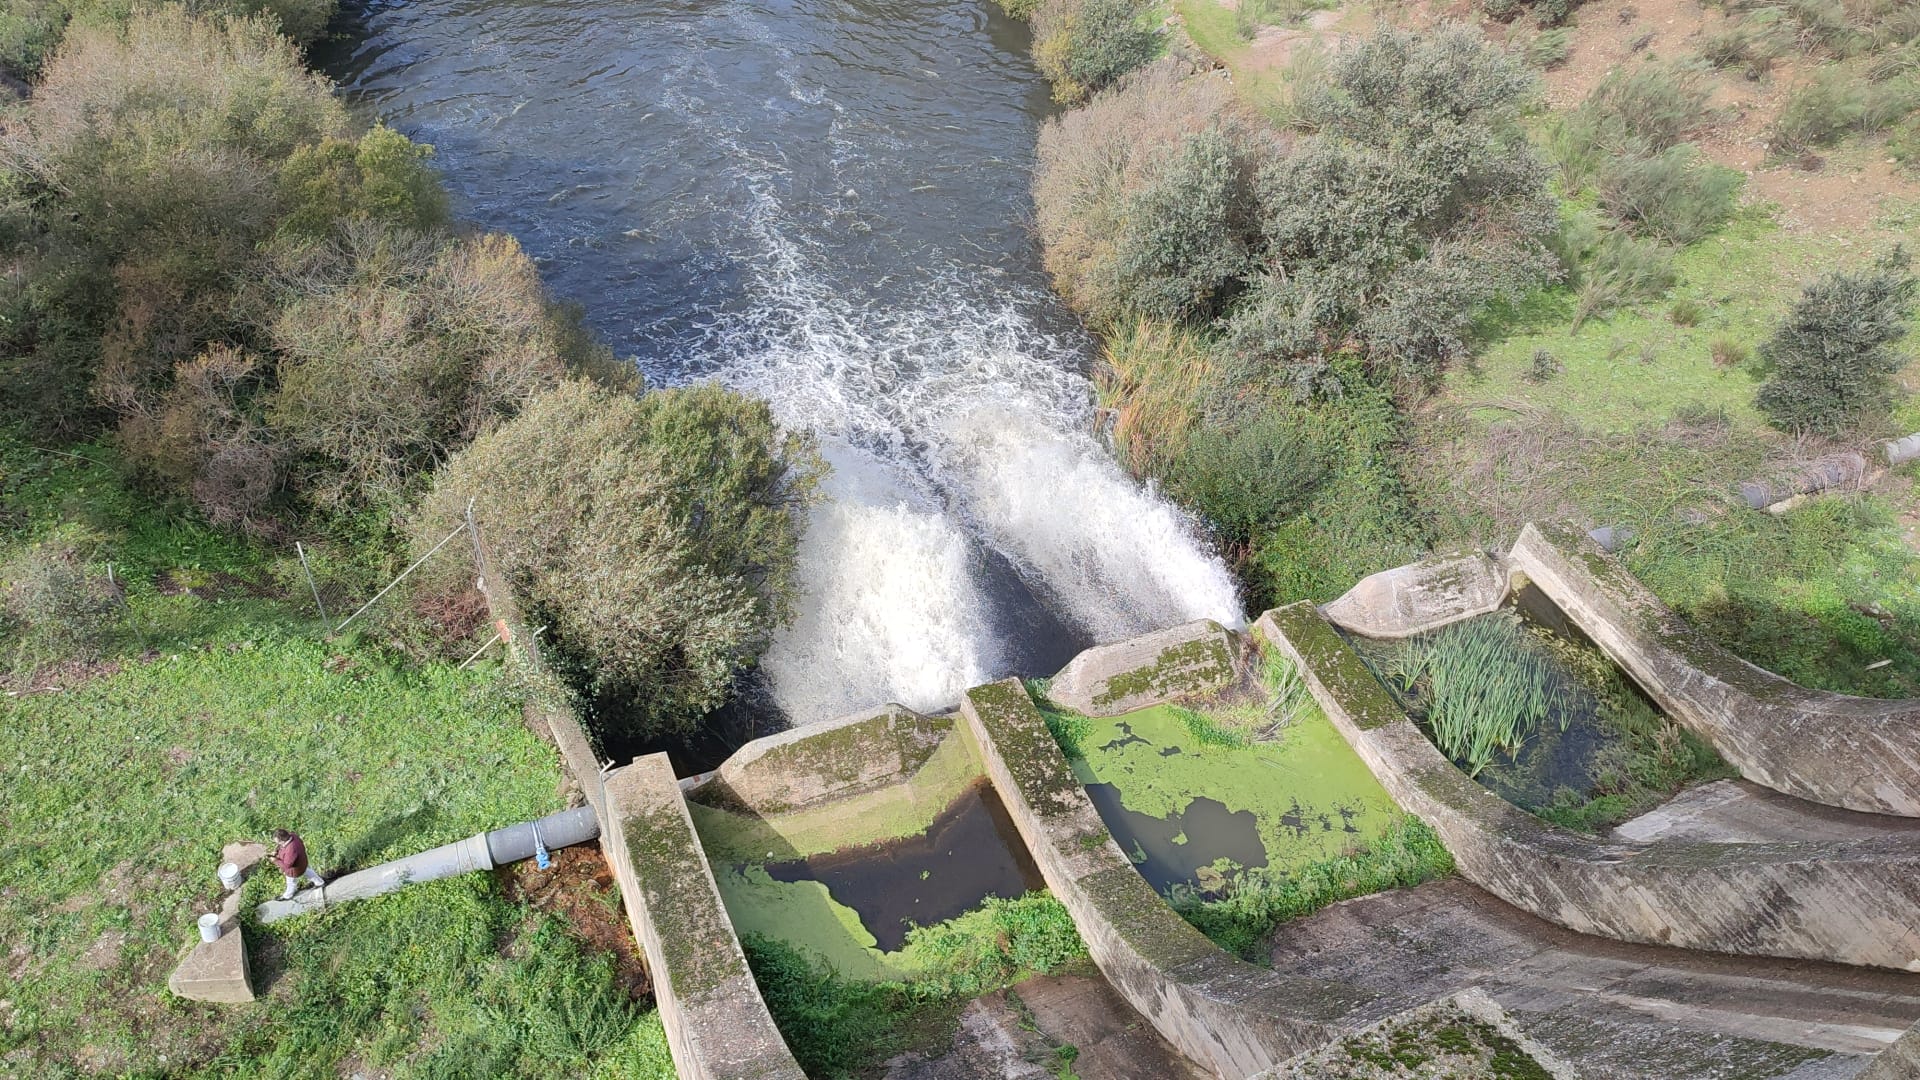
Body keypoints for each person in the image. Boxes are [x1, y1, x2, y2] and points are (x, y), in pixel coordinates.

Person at [272, 828, 325, 900]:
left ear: (283, 840)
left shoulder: (291, 849)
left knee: (291, 882)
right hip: (302, 862)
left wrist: (275, 860)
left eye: (278, 842)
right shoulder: (293, 836)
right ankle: (320, 882)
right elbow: (280, 846)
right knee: (307, 871)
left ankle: (287, 895)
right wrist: (277, 851)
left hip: (294, 869)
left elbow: (287, 865)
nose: (277, 844)